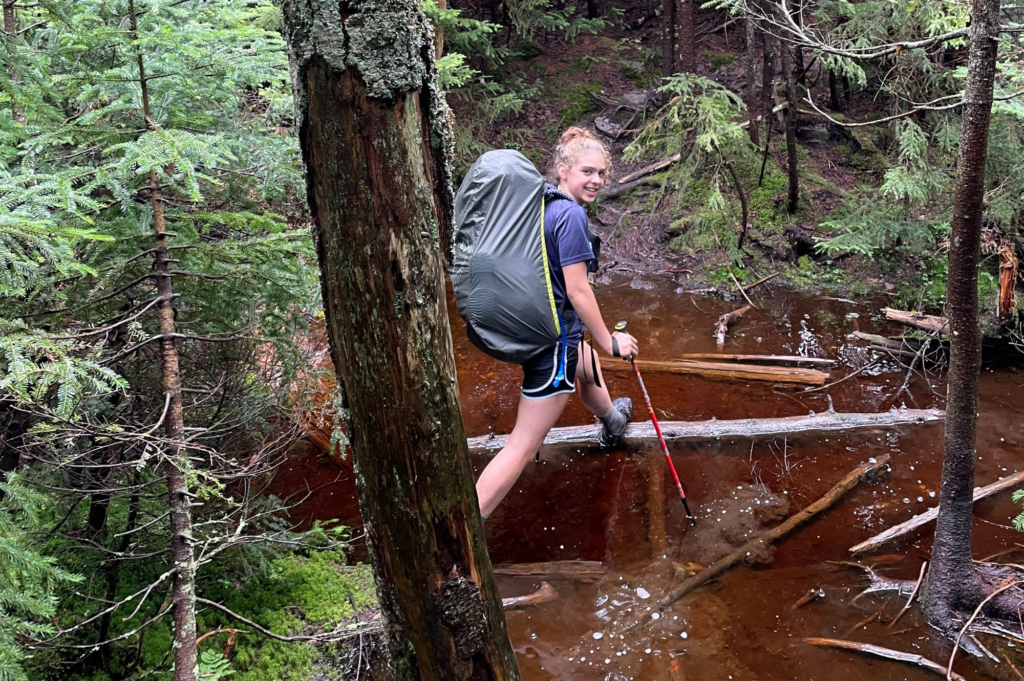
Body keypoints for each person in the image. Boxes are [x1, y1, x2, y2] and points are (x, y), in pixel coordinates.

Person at [476, 127, 640, 519]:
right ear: (563, 170)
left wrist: (590, 345)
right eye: (588, 171)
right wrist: (609, 340)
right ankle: (460, 536)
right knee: (522, 444)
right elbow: (579, 291)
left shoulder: (540, 207)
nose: (597, 180)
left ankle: (612, 421)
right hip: (552, 345)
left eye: (602, 173)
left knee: (584, 362)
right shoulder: (569, 216)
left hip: (535, 327)